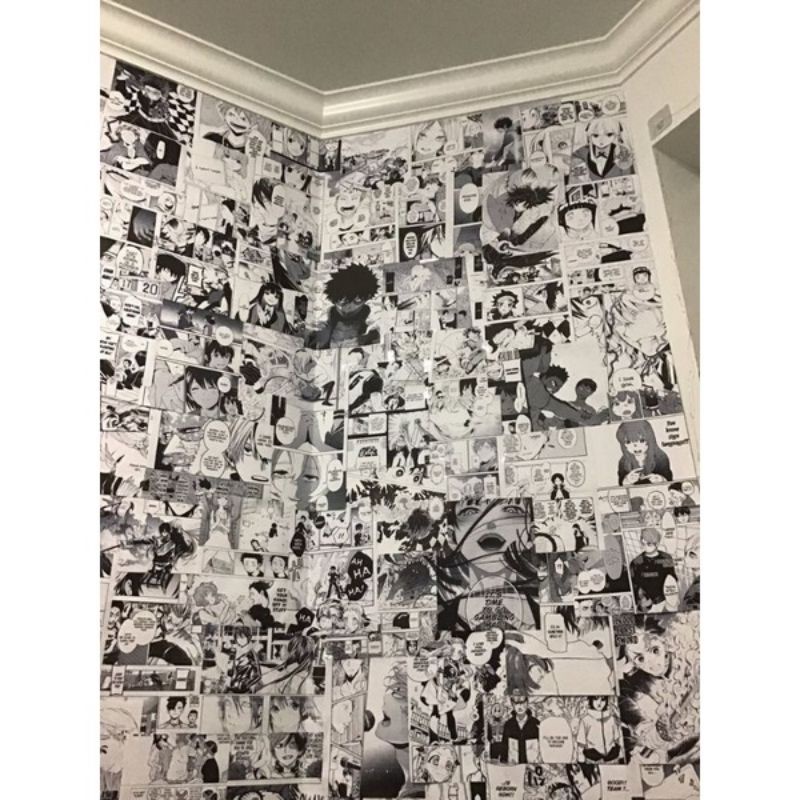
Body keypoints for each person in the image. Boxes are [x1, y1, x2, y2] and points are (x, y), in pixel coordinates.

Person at [306, 263, 381, 348]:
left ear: (367, 298)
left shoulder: (371, 326)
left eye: (357, 300)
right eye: (342, 300)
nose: (348, 307)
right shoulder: (327, 323)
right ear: (333, 299)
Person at [629, 528, 679, 612]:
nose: (645, 546)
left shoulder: (666, 558)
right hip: (646, 606)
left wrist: (673, 599)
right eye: (643, 543)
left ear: (657, 543)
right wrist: (642, 599)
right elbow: (634, 585)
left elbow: (673, 580)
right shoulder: (636, 562)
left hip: (665, 601)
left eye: (649, 544)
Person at [616, 420, 673, 486]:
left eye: (642, 441)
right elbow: (621, 484)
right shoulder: (623, 461)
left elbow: (670, 481)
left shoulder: (660, 457)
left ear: (650, 440)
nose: (636, 447)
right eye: (628, 442)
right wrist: (627, 480)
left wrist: (661, 479)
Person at [575, 697, 621, 762]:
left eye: (603, 700)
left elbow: (617, 738)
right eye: (595, 699)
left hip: (612, 756)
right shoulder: (585, 720)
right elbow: (581, 742)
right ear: (591, 700)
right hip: (592, 756)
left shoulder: (611, 719)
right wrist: (581, 759)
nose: (599, 703)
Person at [499, 691, 540, 764]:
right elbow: (504, 750)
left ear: (527, 703)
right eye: (516, 703)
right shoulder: (508, 725)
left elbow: (542, 749)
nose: (520, 706)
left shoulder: (536, 724)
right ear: (512, 704)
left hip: (531, 766)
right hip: (514, 766)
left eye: (523, 702)